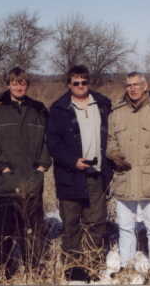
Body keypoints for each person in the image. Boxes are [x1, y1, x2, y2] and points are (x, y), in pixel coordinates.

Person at [0, 67, 51, 282]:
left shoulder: (39, 113)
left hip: (32, 179)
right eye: (14, 83)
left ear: (27, 86)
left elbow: (49, 143)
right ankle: (3, 268)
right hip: (5, 181)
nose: (18, 87)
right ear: (8, 84)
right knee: (4, 225)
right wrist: (4, 169)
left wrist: (41, 168)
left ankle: (33, 267)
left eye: (22, 83)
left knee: (33, 226)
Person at [106, 71, 150, 275]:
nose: (133, 88)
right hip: (125, 178)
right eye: (129, 85)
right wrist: (113, 154)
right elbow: (110, 140)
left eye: (137, 84)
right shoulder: (117, 112)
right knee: (125, 226)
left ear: (145, 86)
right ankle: (126, 266)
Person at [46, 65, 112, 282]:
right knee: (72, 223)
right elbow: (53, 144)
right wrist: (73, 161)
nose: (81, 86)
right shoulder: (59, 109)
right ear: (69, 85)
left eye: (84, 82)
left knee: (97, 222)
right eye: (76, 83)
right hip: (70, 175)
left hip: (96, 174)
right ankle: (75, 269)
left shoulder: (102, 104)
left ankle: (92, 264)